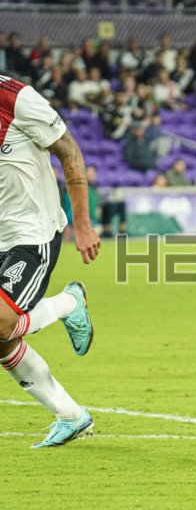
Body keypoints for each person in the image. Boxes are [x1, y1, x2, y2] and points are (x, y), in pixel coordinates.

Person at [0, 74, 99, 448]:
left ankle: (68, 303)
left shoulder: (14, 97)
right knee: (2, 342)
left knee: (1, 322)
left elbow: (69, 151)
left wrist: (83, 225)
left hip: (32, 234)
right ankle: (71, 416)